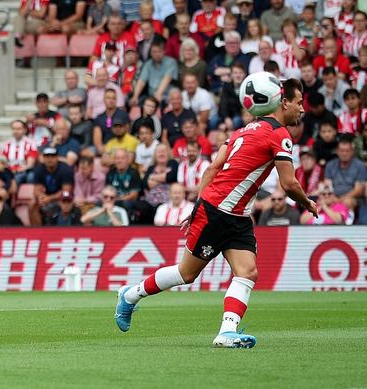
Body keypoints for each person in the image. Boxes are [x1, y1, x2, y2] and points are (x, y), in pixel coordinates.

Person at [114, 78, 318, 348]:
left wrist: (199, 204)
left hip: (235, 215)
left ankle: (227, 332)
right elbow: (289, 183)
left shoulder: (242, 131)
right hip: (218, 211)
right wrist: (307, 202)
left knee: (247, 271)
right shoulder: (280, 135)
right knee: (187, 274)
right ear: (283, 102)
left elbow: (212, 168)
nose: (301, 109)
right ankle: (130, 295)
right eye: (298, 102)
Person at [29, 146, 74, 226]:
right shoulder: (39, 169)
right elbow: (36, 190)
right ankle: (37, 232)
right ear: (43, 158)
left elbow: (66, 191)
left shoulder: (65, 169)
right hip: (47, 198)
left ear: (57, 157)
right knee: (32, 205)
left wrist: (49, 198)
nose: (50, 159)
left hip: (63, 198)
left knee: (66, 203)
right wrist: (41, 197)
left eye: (52, 156)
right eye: (47, 157)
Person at [324, 136, 367, 209]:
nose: (344, 154)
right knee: (323, 201)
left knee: (347, 202)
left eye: (347, 151)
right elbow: (328, 186)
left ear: (352, 151)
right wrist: (333, 197)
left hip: (352, 198)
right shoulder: (330, 165)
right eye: (341, 151)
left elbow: (358, 190)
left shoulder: (360, 165)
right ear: (337, 151)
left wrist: (340, 200)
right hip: (333, 196)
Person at [0, 119, 38, 185]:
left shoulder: (30, 143)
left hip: (24, 172)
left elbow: (30, 164)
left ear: (25, 130)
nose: (16, 131)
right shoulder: (6, 144)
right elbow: (2, 161)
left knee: (18, 178)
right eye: (14, 129)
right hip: (9, 171)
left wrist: (17, 170)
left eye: (19, 129)